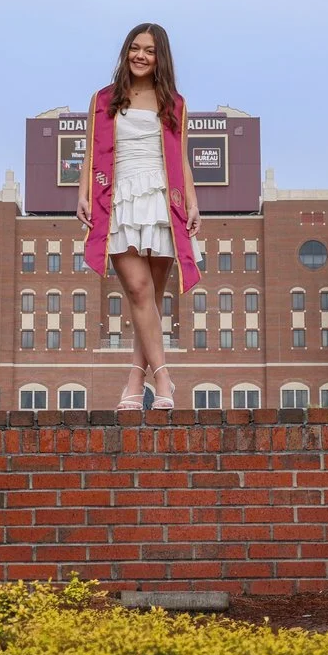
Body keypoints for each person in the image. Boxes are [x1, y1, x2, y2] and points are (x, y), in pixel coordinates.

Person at [76, 22, 202, 412]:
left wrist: (193, 203)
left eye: (149, 50)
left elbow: (181, 157)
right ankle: (163, 378)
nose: (140, 56)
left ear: (160, 57)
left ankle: (135, 381)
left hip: (163, 199)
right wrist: (82, 194)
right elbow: (90, 152)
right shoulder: (103, 99)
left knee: (149, 298)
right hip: (118, 198)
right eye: (135, 47)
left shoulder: (174, 103)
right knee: (137, 289)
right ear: (125, 52)